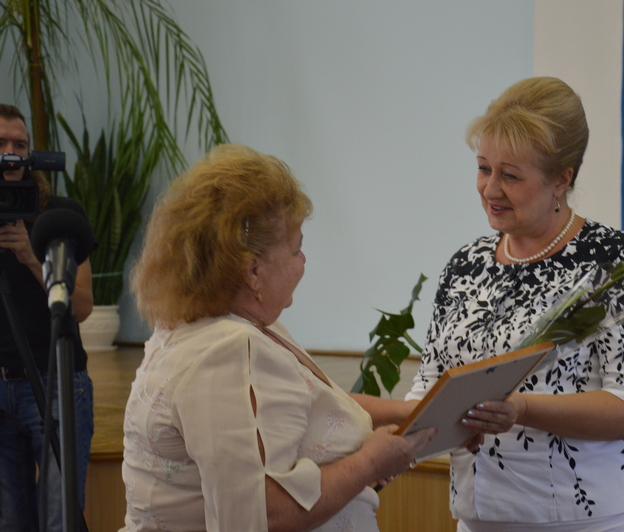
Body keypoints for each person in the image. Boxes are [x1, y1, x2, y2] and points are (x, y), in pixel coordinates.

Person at [121, 144, 434, 532]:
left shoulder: (212, 325)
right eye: (296, 250)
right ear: (253, 271)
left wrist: (410, 413)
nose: (303, 263)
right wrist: (371, 462)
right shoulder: (227, 350)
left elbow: (313, 404)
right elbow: (263, 516)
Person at [405, 77, 624, 531]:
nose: (490, 189)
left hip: (593, 520)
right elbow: (429, 385)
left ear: (562, 179)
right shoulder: (465, 264)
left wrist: (523, 408)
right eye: (483, 168)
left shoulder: (615, 262)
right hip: (480, 517)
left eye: (510, 176)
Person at [0, 104, 95, 531]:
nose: (10, 153)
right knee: (11, 521)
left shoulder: (59, 215)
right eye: (1, 143)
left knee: (60, 520)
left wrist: (31, 257)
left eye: (19, 144)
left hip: (56, 385)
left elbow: (82, 305)